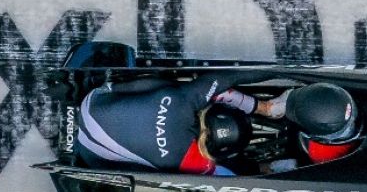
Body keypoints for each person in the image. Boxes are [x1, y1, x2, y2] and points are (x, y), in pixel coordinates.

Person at [73, 69, 280, 175]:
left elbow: (224, 81)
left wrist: (263, 106)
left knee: (169, 88)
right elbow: (234, 177)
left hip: (93, 103)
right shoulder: (192, 160)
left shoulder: (185, 101)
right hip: (90, 151)